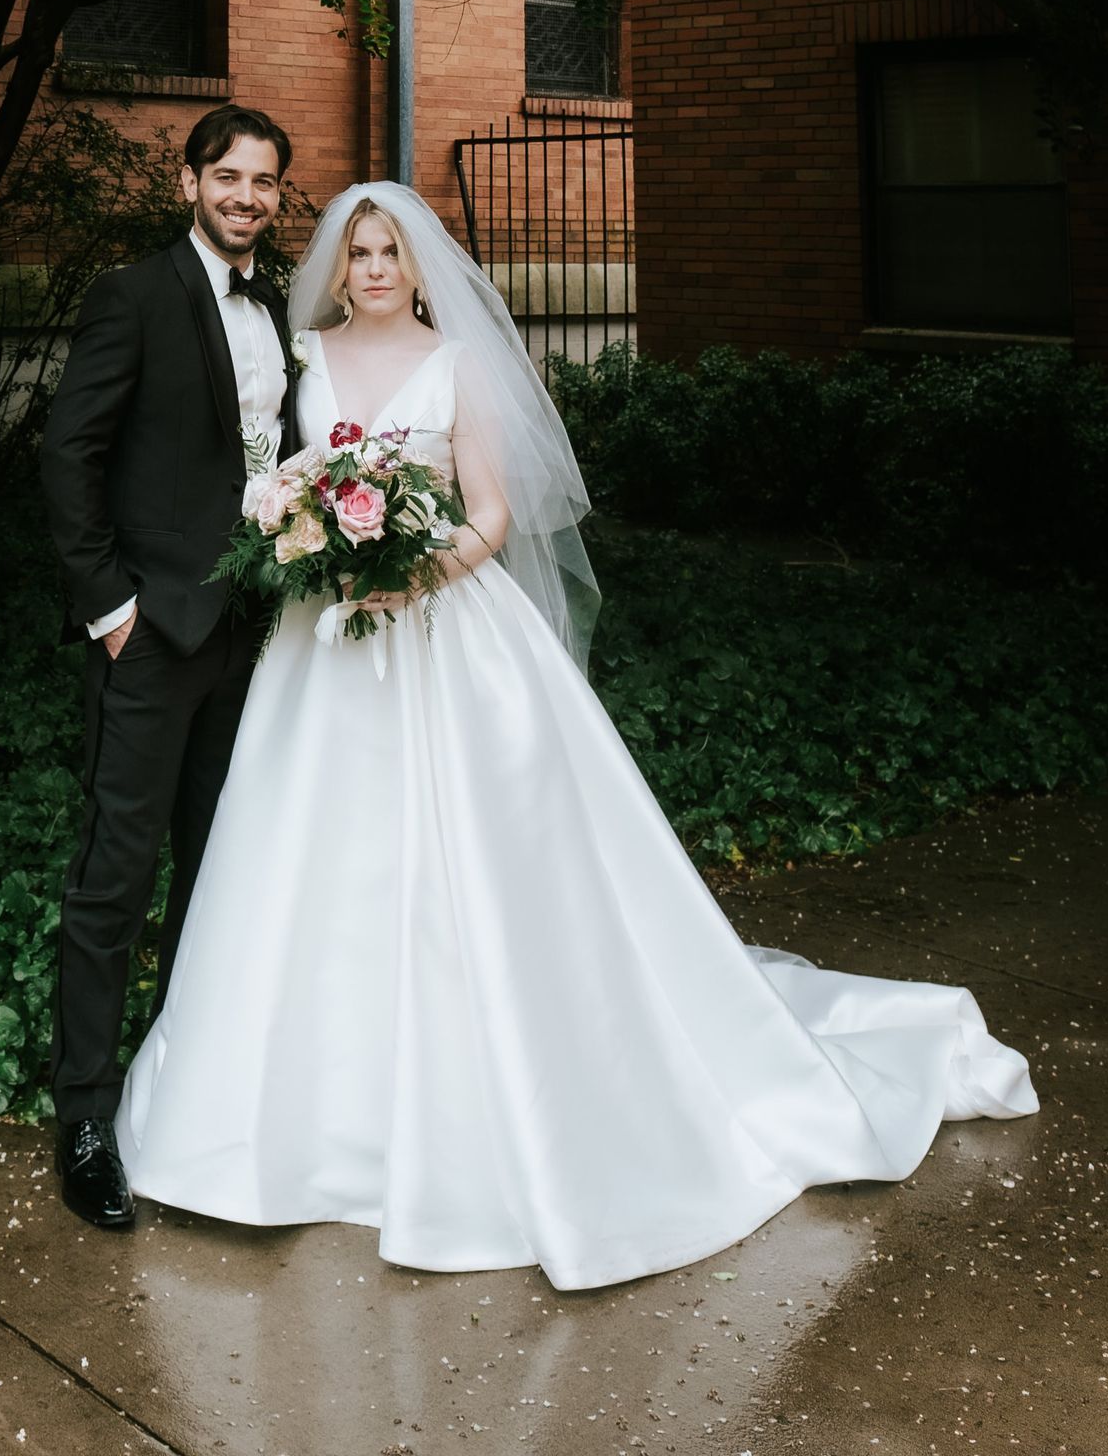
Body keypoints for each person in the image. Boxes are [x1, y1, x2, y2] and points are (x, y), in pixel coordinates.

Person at [115, 181, 1038, 1288]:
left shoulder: (457, 366)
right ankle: (282, 1124)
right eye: (355, 252)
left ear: (417, 268)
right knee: (306, 865)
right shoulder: (302, 357)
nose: (370, 270)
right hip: (322, 646)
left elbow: (493, 516)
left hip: (438, 630)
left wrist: (411, 574)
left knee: (472, 876)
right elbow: (275, 483)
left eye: (388, 254)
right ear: (335, 264)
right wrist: (308, 537)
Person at [41, 101, 299, 1231]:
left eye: (266, 183)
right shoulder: (134, 296)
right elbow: (70, 454)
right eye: (229, 177)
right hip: (150, 639)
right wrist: (109, 610)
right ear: (189, 181)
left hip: (252, 635)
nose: (247, 197)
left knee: (217, 869)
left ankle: (183, 1084)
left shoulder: (281, 306)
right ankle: (88, 1113)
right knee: (115, 875)